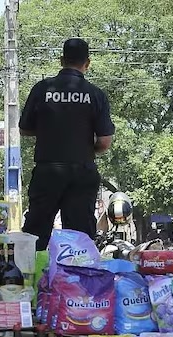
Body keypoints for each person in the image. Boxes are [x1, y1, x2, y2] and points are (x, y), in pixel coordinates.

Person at [19, 38, 115, 251]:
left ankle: (30, 280)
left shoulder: (42, 89)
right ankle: (78, 281)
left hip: (47, 171)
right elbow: (105, 141)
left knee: (36, 232)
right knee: (80, 237)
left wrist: (48, 131)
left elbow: (24, 128)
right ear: (87, 63)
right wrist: (89, 148)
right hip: (82, 171)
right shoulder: (95, 94)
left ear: (62, 60)